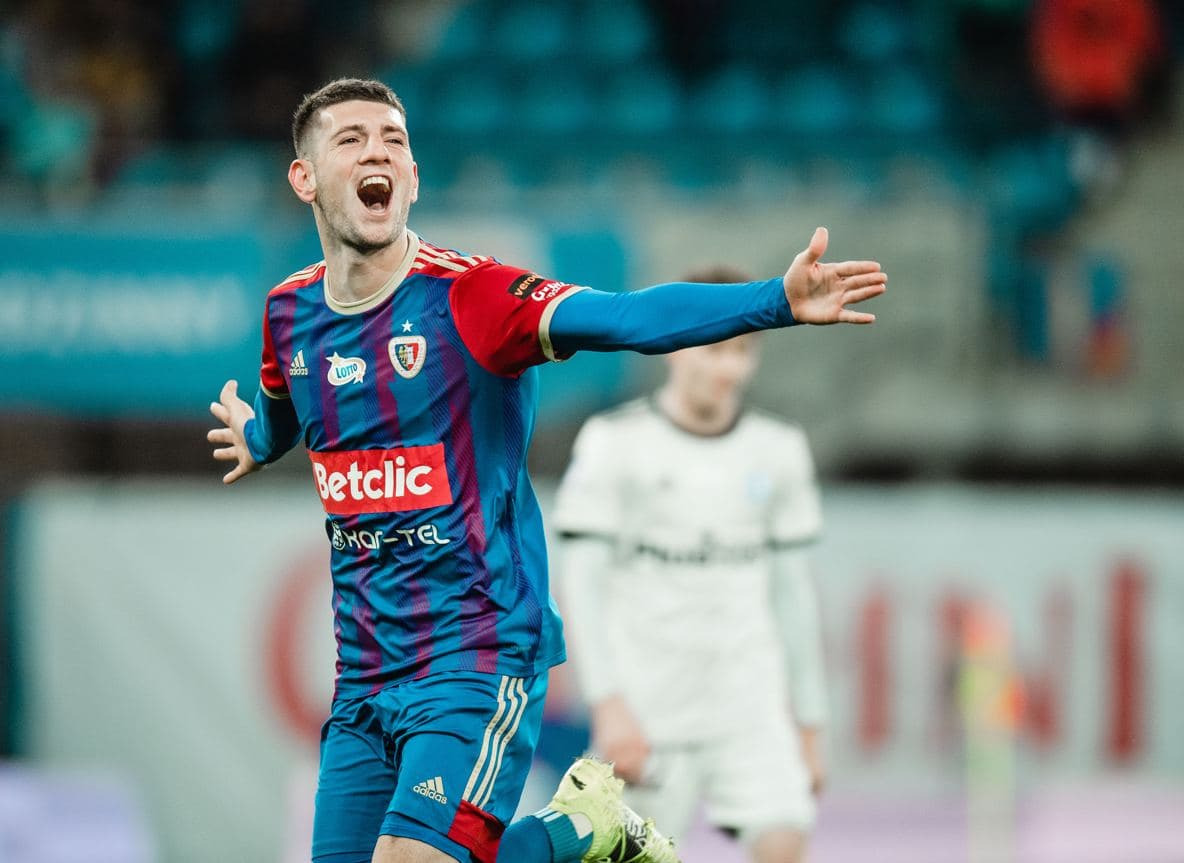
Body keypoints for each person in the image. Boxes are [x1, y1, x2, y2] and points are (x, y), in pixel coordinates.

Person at [206, 77, 886, 863]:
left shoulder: (473, 299)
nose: (377, 154)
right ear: (304, 177)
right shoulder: (289, 312)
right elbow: (286, 400)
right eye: (351, 140)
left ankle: (574, 832)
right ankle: (588, 828)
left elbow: (626, 316)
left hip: (476, 652)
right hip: (362, 673)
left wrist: (773, 300)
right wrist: (260, 438)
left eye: (394, 140)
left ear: (413, 177)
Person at [554, 265, 830, 863]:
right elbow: (582, 585)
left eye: (742, 351)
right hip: (648, 709)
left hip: (748, 706)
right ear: (677, 347)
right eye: (713, 349)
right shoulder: (613, 442)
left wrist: (809, 724)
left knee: (784, 842)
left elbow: (793, 594)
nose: (727, 368)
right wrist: (608, 705)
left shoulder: (778, 449)